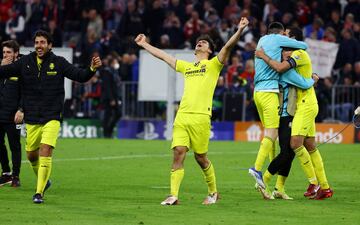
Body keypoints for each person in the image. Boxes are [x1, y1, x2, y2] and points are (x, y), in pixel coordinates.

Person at [135, 17, 249, 205]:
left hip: (201, 117)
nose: (200, 42)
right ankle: (173, 195)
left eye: (204, 42)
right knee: (178, 152)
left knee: (200, 158)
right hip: (182, 116)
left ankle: (213, 192)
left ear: (209, 50)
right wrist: (145, 44)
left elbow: (227, 47)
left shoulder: (213, 65)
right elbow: (164, 56)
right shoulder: (188, 67)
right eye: (199, 41)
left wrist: (239, 31)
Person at [0, 30, 102, 203]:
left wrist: (91, 68)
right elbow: (3, 73)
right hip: (32, 117)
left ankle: (39, 193)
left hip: (52, 116)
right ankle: (44, 181)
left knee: (45, 149)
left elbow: (80, 75)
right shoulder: (25, 62)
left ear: (50, 45)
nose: (39, 46)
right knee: (31, 155)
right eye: (37, 42)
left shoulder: (59, 63)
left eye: (43, 42)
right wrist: (2, 65)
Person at [255, 27, 333, 200]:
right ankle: (324, 187)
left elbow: (289, 73)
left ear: (293, 40)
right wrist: (312, 79)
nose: (283, 39)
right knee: (309, 146)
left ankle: (312, 183)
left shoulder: (298, 54)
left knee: (294, 144)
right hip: (301, 105)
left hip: (304, 104)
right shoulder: (290, 63)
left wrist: (263, 56)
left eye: (286, 36)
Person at [249, 22, 308, 189]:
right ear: (281, 33)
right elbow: (304, 45)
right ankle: (257, 169)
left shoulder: (261, 40)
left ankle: (265, 180)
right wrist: (312, 80)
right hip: (269, 92)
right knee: (272, 133)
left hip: (257, 92)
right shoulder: (278, 40)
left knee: (270, 133)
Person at [0, 40, 23, 187]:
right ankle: (6, 173)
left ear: (16, 53)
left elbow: (26, 93)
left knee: (15, 145)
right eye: (3, 52)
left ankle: (15, 175)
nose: (5, 55)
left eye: (8, 52)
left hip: (13, 115)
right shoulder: (1, 69)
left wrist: (21, 109)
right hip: (0, 113)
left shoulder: (21, 70)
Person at [101, 56, 121, 138]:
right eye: (115, 62)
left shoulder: (115, 72)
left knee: (118, 114)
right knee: (108, 115)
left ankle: (109, 131)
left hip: (114, 97)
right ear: (111, 63)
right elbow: (107, 86)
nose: (117, 64)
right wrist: (111, 99)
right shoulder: (107, 72)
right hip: (108, 98)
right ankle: (106, 134)